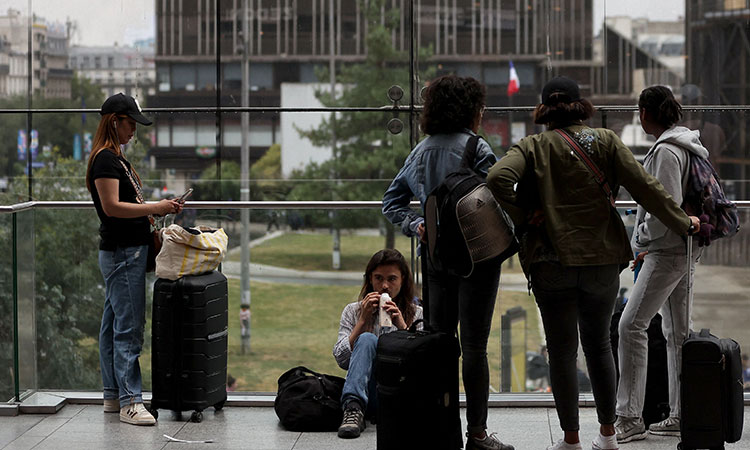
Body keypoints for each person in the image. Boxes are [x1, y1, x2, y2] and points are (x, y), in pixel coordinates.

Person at [486, 76, 700, 450]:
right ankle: (607, 435)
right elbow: (648, 189)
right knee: (599, 345)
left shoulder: (533, 146)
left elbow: (496, 177)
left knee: (563, 351)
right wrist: (683, 222)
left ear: (544, 109)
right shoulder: (606, 141)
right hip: (602, 261)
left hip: (552, 262)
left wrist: (525, 214)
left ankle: (570, 440)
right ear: (579, 105)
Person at [382, 74, 514, 450]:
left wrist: (418, 224)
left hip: (436, 261)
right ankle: (477, 435)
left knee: (440, 345)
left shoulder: (421, 150)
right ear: (471, 110)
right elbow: (502, 195)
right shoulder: (477, 148)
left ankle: (441, 429)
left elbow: (390, 201)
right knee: (474, 348)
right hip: (478, 260)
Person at [614, 86, 709, 442]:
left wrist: (639, 237)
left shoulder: (666, 153)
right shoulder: (687, 145)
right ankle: (682, 413)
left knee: (631, 325)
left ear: (646, 113)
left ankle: (629, 416)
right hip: (684, 249)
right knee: (677, 333)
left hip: (667, 252)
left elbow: (664, 208)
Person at [86, 93, 183, 426]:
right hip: (122, 252)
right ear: (115, 121)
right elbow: (112, 207)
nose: (134, 131)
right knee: (129, 328)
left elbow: (121, 205)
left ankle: (113, 395)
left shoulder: (114, 159)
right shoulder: (105, 161)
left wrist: (158, 207)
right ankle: (130, 401)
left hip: (124, 252)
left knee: (113, 324)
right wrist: (157, 208)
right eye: (130, 124)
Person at [332, 249, 422, 439]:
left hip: (400, 395)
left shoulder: (417, 314)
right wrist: (362, 323)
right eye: (378, 278)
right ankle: (353, 408)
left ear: (403, 280)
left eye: (392, 279)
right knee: (367, 339)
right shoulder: (353, 311)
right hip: (368, 392)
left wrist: (403, 329)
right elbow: (341, 360)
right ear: (370, 279)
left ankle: (357, 407)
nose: (384, 286)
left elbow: (420, 366)